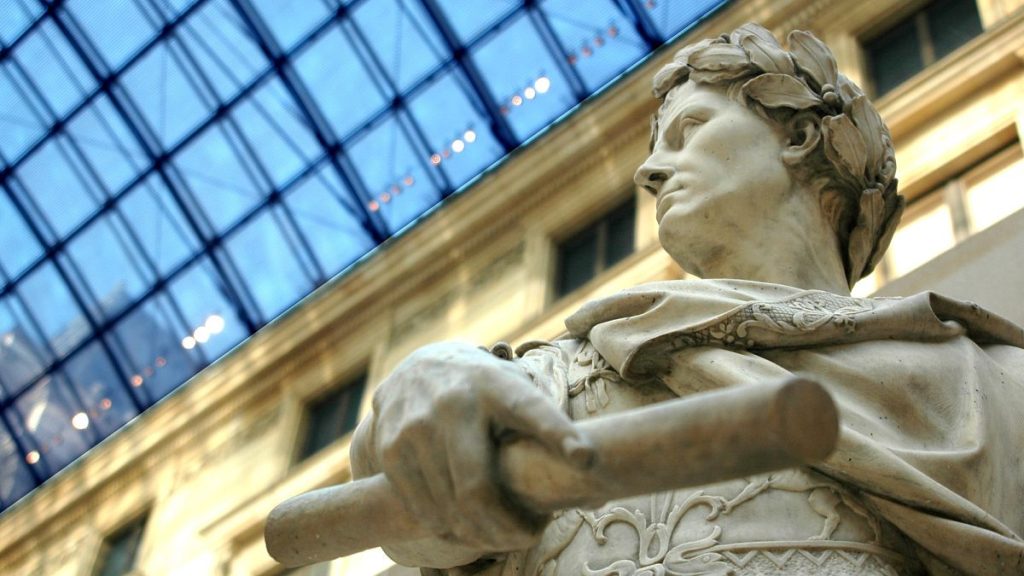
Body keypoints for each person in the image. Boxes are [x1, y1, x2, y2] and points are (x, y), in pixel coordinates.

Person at [350, 24, 1024, 575]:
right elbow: (428, 532)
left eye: (689, 129)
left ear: (796, 137)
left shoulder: (992, 384)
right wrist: (427, 378)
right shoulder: (573, 373)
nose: (648, 170)